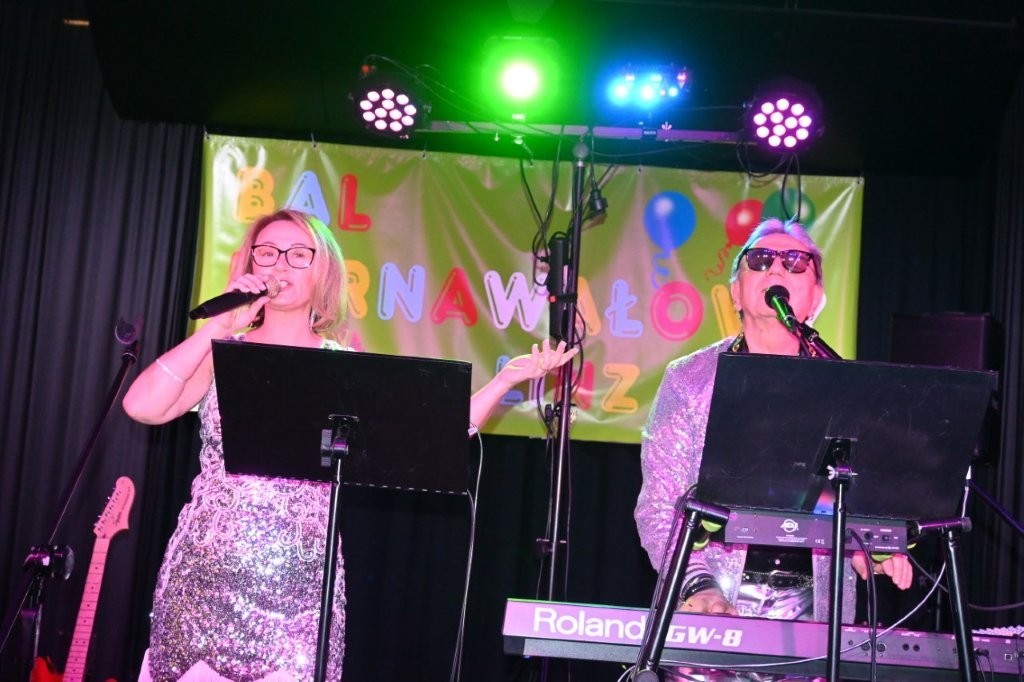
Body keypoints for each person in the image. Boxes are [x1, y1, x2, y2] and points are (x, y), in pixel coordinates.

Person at [123, 208, 577, 681]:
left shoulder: (340, 367)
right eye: (268, 253)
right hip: (202, 579)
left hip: (299, 595)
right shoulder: (224, 353)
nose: (280, 264)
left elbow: (429, 436)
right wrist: (218, 328)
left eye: (298, 254)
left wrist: (505, 380)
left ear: (323, 271)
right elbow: (142, 407)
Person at [634, 218, 912, 670]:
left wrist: (874, 550)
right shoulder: (690, 379)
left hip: (816, 614)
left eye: (796, 262)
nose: (778, 268)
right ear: (736, 292)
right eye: (760, 260)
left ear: (816, 297)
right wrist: (698, 585)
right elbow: (660, 506)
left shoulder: (847, 388)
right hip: (713, 600)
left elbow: (857, 499)